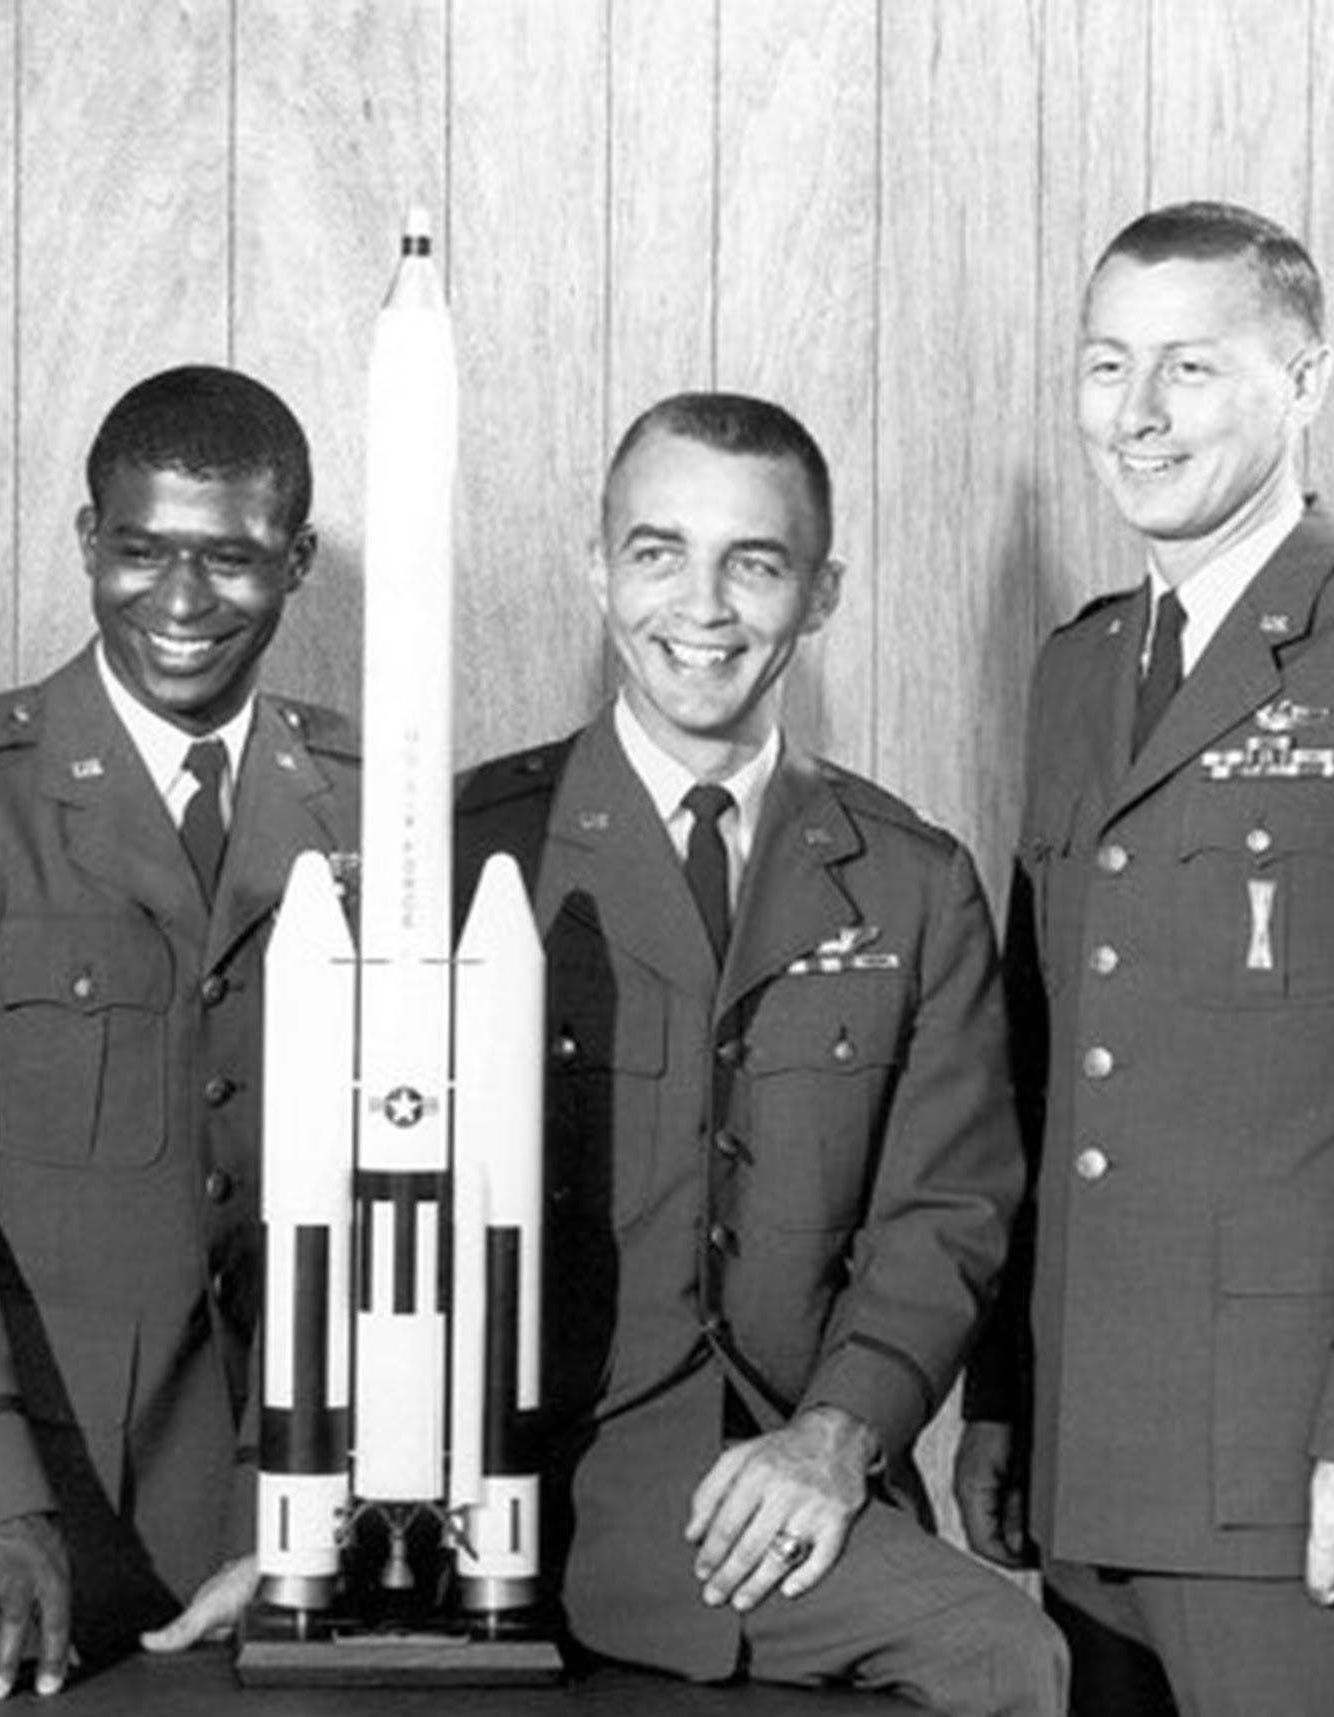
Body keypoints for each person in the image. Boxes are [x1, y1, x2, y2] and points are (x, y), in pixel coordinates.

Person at [955, 202, 1334, 1716]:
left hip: (1310, 1458)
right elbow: (1051, 1072)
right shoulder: (1082, 666)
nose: (1138, 416)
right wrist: (1005, 1403)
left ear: (1305, 383)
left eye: (1191, 368)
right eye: (1106, 367)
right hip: (1096, 1447)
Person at [451, 393, 1067, 1714]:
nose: (704, 606)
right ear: (597, 565)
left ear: (821, 591)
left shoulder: (908, 878)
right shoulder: (470, 851)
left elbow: (945, 1208)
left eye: (758, 562)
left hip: (791, 1466)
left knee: (1006, 1656)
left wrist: (840, 1432)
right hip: (521, 1488)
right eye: (658, 550)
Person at [0, 365, 358, 1699]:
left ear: (294, 560)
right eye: (140, 551)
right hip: (43, 1502)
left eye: (230, 559)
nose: (179, 603)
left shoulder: (376, 799)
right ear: (87, 541)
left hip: (313, 1485)